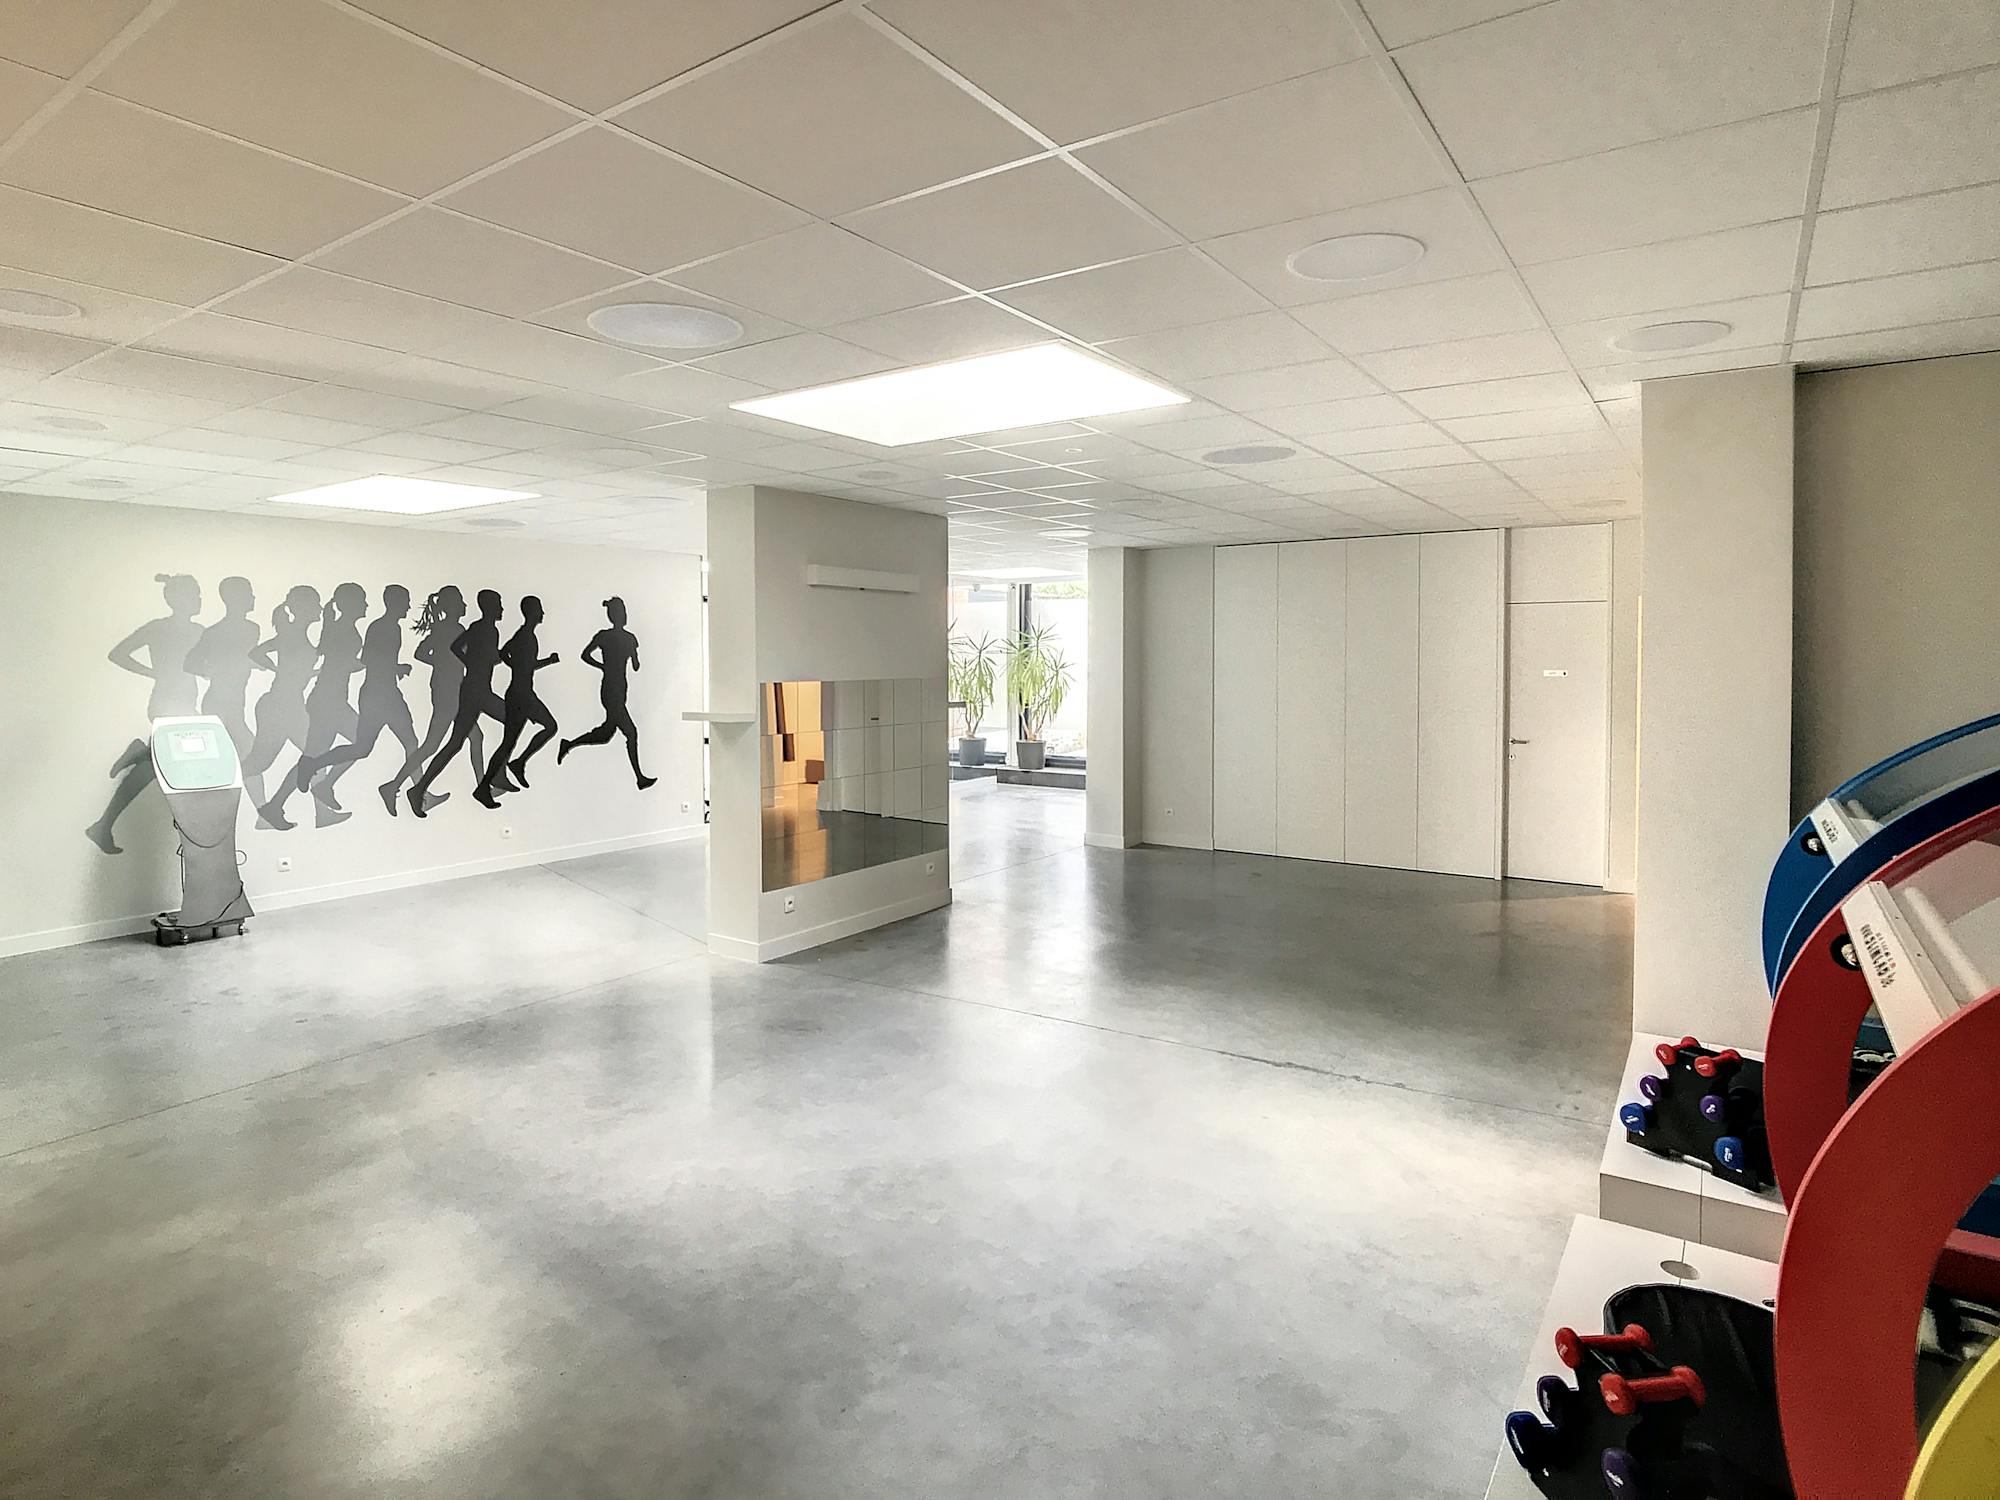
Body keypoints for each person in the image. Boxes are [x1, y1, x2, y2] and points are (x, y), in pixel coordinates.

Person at [86, 573, 204, 855]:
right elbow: (118, 653)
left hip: (179, 701)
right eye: (195, 594)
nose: (199, 599)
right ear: (179, 599)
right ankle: (140, 755)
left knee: (155, 768)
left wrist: (156, 672)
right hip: (170, 703)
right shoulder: (185, 630)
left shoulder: (184, 630)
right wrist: (152, 672)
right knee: (179, 764)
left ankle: (140, 754)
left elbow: (118, 654)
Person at [296, 584, 422, 816]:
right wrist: (395, 667)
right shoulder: (374, 628)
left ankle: (316, 772)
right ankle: (313, 771)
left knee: (366, 746)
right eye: (405, 601)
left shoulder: (373, 628)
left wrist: (392, 667)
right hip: (366, 696)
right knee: (369, 746)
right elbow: (366, 660)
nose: (366, 605)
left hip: (366, 694)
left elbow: (359, 661)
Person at [380, 585, 500, 816]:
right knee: (435, 744)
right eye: (461, 601)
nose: (465, 605)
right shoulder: (452, 629)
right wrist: (446, 663)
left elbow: (422, 653)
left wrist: (444, 663)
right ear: (453, 606)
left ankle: (482, 786)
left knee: (468, 738)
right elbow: (424, 654)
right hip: (448, 691)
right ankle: (394, 786)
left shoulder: (446, 628)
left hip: (449, 689)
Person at [260, 582, 367, 830]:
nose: (366, 605)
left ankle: (276, 805)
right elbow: (342, 664)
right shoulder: (344, 630)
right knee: (361, 742)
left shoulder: (340, 627)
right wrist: (371, 662)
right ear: (351, 604)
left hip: (329, 699)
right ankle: (322, 785)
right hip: (329, 701)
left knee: (318, 754)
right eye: (362, 600)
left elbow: (339, 662)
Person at [557, 596, 656, 790]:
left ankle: (568, 744)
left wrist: (609, 663)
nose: (623, 615)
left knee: (605, 734)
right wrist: (605, 665)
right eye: (621, 612)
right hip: (611, 689)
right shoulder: (615, 637)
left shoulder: (621, 638)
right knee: (631, 732)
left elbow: (588, 656)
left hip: (618, 687)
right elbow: (586, 655)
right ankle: (640, 778)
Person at [474, 594, 560, 810]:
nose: (542, 613)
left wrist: (522, 666)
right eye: (539, 609)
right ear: (532, 612)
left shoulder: (525, 635)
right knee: (549, 727)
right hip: (522, 695)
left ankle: (488, 784)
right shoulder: (526, 636)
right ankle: (516, 764)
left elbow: (506, 654)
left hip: (519, 694)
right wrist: (541, 663)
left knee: (509, 743)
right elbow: (512, 658)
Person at [184, 575, 260, 758]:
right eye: (248, 593)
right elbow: (190, 663)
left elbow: (242, 658)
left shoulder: (251, 629)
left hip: (234, 701)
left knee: (241, 750)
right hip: (219, 701)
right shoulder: (216, 632)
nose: (253, 597)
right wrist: (209, 671)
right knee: (240, 750)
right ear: (236, 598)